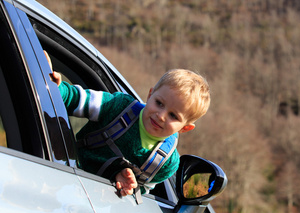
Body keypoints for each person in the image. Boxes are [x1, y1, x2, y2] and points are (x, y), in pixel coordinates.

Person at [46, 51, 210, 198]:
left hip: (95, 201)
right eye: (159, 103)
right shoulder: (119, 107)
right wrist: (56, 87)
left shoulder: (166, 163)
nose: (160, 116)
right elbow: (79, 100)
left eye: (173, 115)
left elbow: (143, 190)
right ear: (150, 94)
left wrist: (129, 186)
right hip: (64, 173)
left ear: (184, 128)